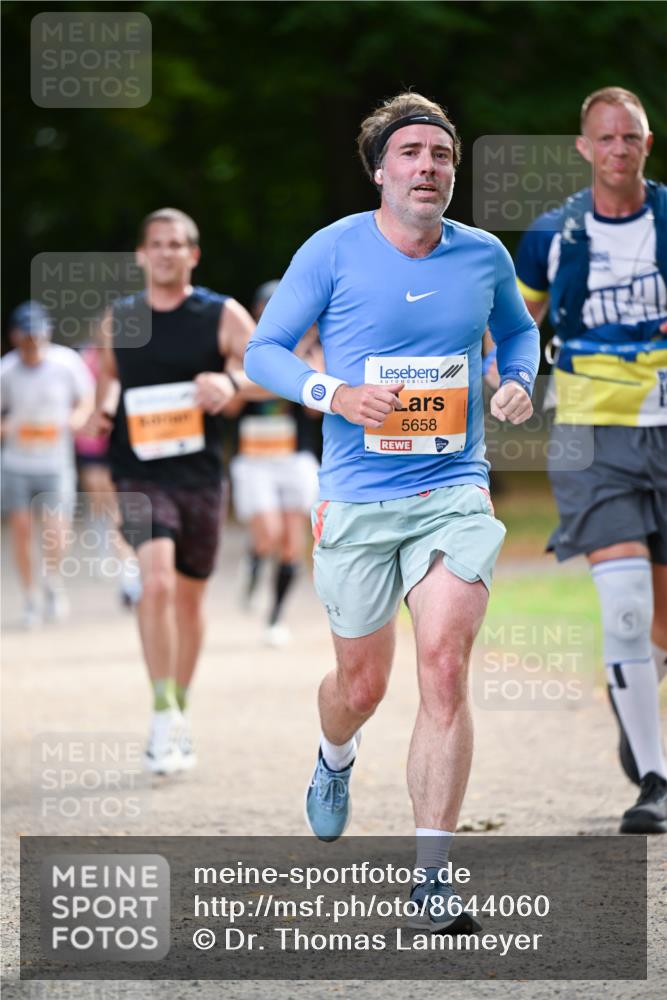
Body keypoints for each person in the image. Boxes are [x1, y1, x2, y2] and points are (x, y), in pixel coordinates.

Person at [245, 92, 539, 930]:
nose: (427, 167)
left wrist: (518, 379)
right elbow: (264, 352)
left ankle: (432, 879)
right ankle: (334, 754)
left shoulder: (482, 255)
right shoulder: (332, 249)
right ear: (380, 171)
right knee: (362, 685)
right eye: (410, 153)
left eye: (441, 155)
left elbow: (518, 334)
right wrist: (333, 393)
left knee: (442, 666)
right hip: (358, 498)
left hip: (453, 487)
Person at [514, 86, 667, 834]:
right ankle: (655, 781)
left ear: (647, 143)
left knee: (657, 624)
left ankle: (635, 690)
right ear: (583, 148)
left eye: (629, 137)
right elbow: (520, 323)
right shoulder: (552, 234)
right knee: (626, 604)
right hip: (589, 437)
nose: (617, 149)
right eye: (604, 138)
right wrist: (503, 379)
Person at [88, 207, 257, 776]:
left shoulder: (220, 313)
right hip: (137, 472)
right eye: (156, 244)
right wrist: (100, 410)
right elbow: (110, 378)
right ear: (142, 254)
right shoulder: (119, 319)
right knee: (155, 581)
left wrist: (229, 381)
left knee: (188, 599)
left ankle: (179, 706)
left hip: (200, 477)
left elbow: (268, 371)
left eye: (176, 243)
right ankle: (161, 713)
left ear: (193, 254)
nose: (166, 252)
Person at [230, 280, 322, 646]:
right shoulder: (242, 349)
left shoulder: (313, 351)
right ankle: (254, 562)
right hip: (254, 459)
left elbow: (315, 407)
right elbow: (230, 403)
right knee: (267, 534)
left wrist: (299, 370)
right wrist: (284, 375)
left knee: (290, 544)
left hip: (295, 457)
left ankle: (275, 617)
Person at [1, 301, 94, 627]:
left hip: (55, 463)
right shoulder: (6, 370)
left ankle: (52, 580)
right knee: (22, 532)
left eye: (37, 336)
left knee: (57, 532)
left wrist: (78, 417)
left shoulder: (66, 363)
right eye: (27, 337)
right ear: (15, 337)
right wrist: (8, 428)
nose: (33, 343)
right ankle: (29, 597)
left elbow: (86, 397)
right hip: (16, 463)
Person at [75, 341, 142, 608]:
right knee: (97, 498)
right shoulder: (85, 360)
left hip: (120, 441)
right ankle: (103, 549)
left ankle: (127, 573)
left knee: (115, 505)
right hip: (92, 440)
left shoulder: (129, 355)